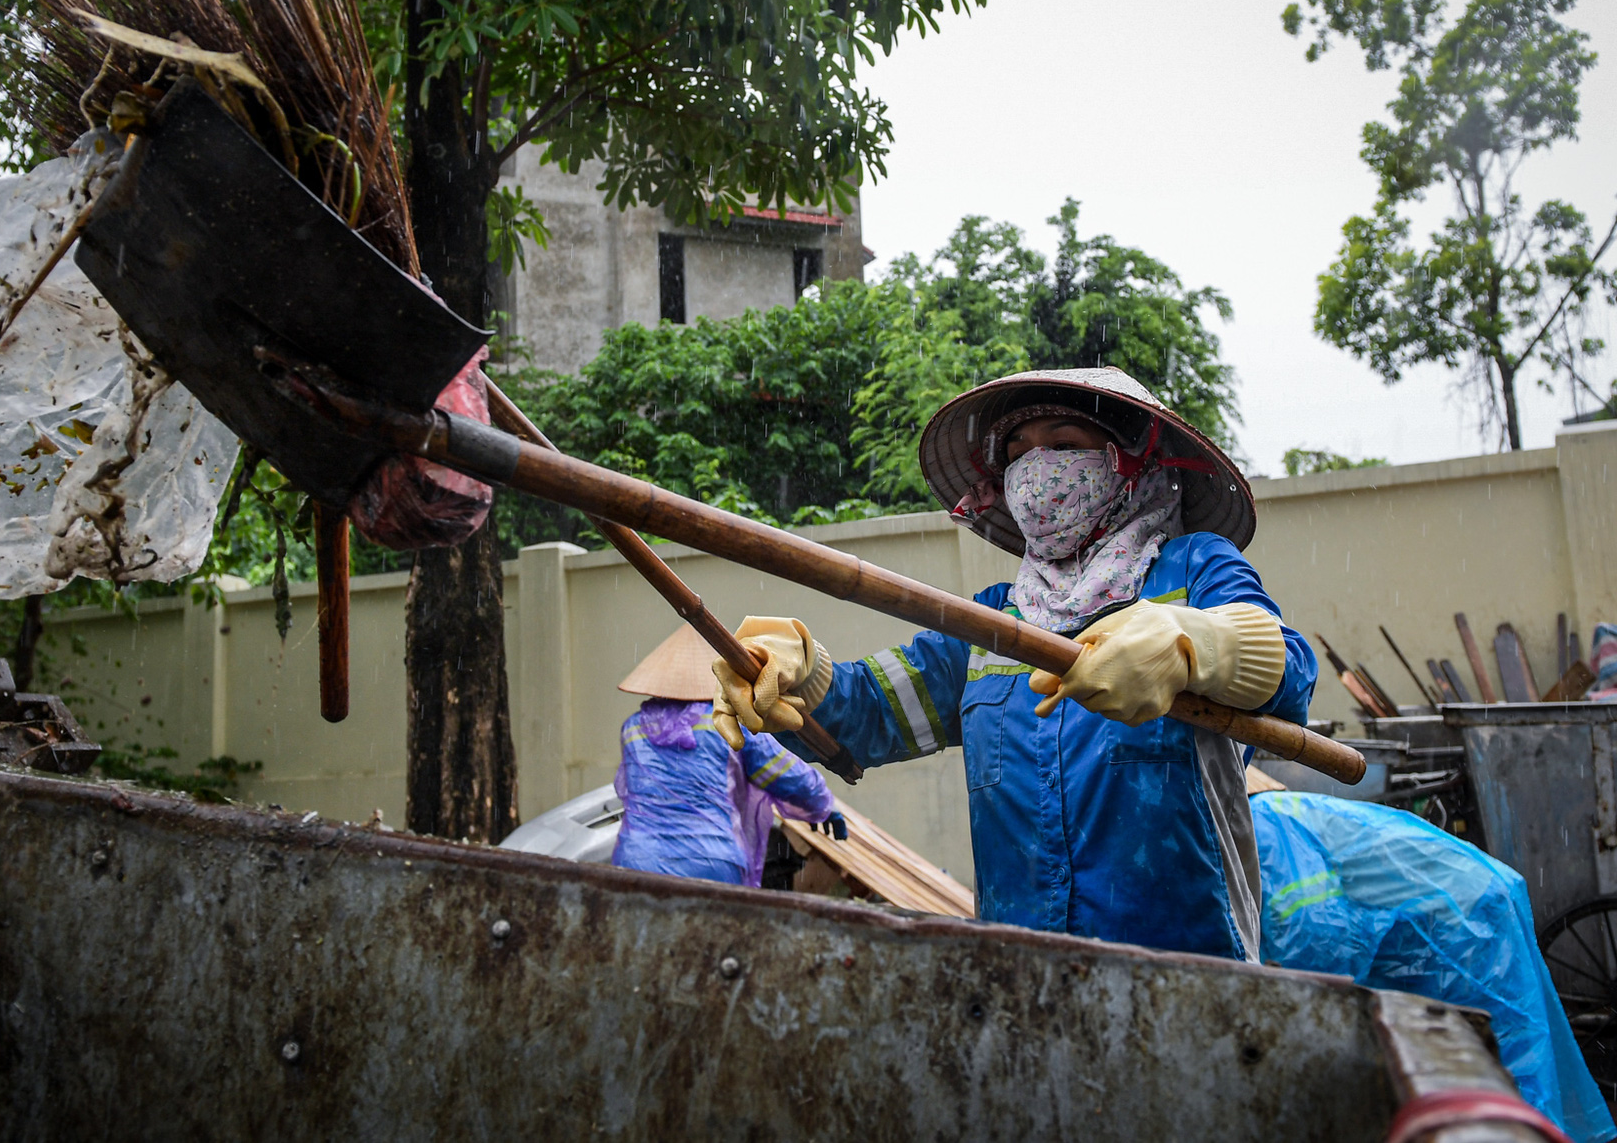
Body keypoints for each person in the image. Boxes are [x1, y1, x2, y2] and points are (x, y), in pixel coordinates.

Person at [709, 367, 1316, 960]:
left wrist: (1190, 644)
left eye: (1063, 443)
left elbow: (1292, 677)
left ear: (1130, 463)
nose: (1036, 466)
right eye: (1019, 451)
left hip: (1188, 976)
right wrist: (800, 673)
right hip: (1018, 981)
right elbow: (870, 711)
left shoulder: (1192, 570)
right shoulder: (994, 625)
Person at [1252, 789, 1616, 1143]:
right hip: (1461, 904)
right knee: (1495, 1051)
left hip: (1462, 922)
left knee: (1489, 1060)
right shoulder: (1266, 815)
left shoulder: (1263, 828)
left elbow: (1319, 937)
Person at [610, 623, 842, 886]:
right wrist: (823, 806)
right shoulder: (727, 724)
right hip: (710, 862)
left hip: (637, 861)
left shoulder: (633, 728)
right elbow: (785, 774)